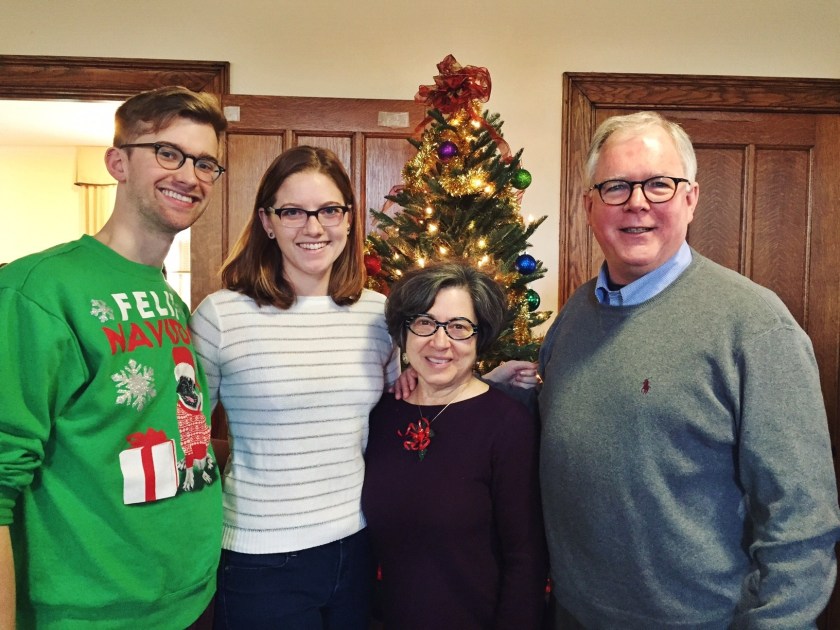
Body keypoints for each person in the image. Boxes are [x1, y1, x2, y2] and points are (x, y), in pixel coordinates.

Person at [487, 111, 840, 628]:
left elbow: (802, 518)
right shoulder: (576, 315)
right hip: (572, 615)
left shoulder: (756, 326)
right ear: (589, 205)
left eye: (659, 184)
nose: (637, 203)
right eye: (616, 187)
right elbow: (571, 431)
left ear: (691, 198)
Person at [0, 86, 228, 629]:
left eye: (205, 163)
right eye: (168, 153)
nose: (189, 175)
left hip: (191, 599)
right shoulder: (37, 289)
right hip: (93, 614)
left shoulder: (167, 297)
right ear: (117, 162)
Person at [189, 145, 398, 629]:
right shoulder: (222, 315)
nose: (313, 227)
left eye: (329, 210)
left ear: (348, 218)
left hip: (357, 546)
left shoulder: (377, 314)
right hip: (260, 558)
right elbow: (188, 434)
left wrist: (478, 385)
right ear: (267, 221)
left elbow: (402, 407)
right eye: (292, 212)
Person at [362, 262, 548, 630]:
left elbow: (525, 558)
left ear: (480, 337)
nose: (440, 342)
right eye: (424, 322)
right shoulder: (380, 414)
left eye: (459, 327)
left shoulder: (508, 425)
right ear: (404, 330)